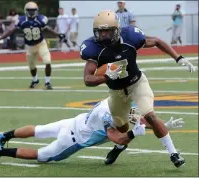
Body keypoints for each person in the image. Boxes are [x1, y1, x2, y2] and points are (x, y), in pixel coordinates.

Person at [80, 10, 195, 167]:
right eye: (101, 31)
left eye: (108, 31)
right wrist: (106, 77)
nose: (104, 35)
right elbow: (87, 79)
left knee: (150, 116)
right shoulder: (93, 47)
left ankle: (174, 153)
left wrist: (178, 57)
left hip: (137, 83)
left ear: (117, 29)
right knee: (122, 127)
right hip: (116, 91)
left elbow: (156, 41)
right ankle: (120, 145)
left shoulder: (130, 36)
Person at [0, 98, 184, 164]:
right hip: (73, 139)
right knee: (42, 155)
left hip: (74, 121)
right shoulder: (109, 113)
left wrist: (160, 124)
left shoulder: (115, 100)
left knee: (39, 130)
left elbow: (135, 118)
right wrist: (133, 134)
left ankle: (5, 135)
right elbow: (118, 137)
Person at [0, 2, 58, 90]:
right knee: (31, 66)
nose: (31, 13)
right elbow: (11, 30)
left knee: (47, 61)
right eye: (29, 11)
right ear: (26, 11)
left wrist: (58, 34)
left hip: (41, 44)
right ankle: (35, 80)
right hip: (29, 46)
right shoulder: (21, 20)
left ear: (37, 10)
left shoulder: (41, 19)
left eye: (33, 10)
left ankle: (47, 82)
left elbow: (47, 28)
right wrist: (0, 38)